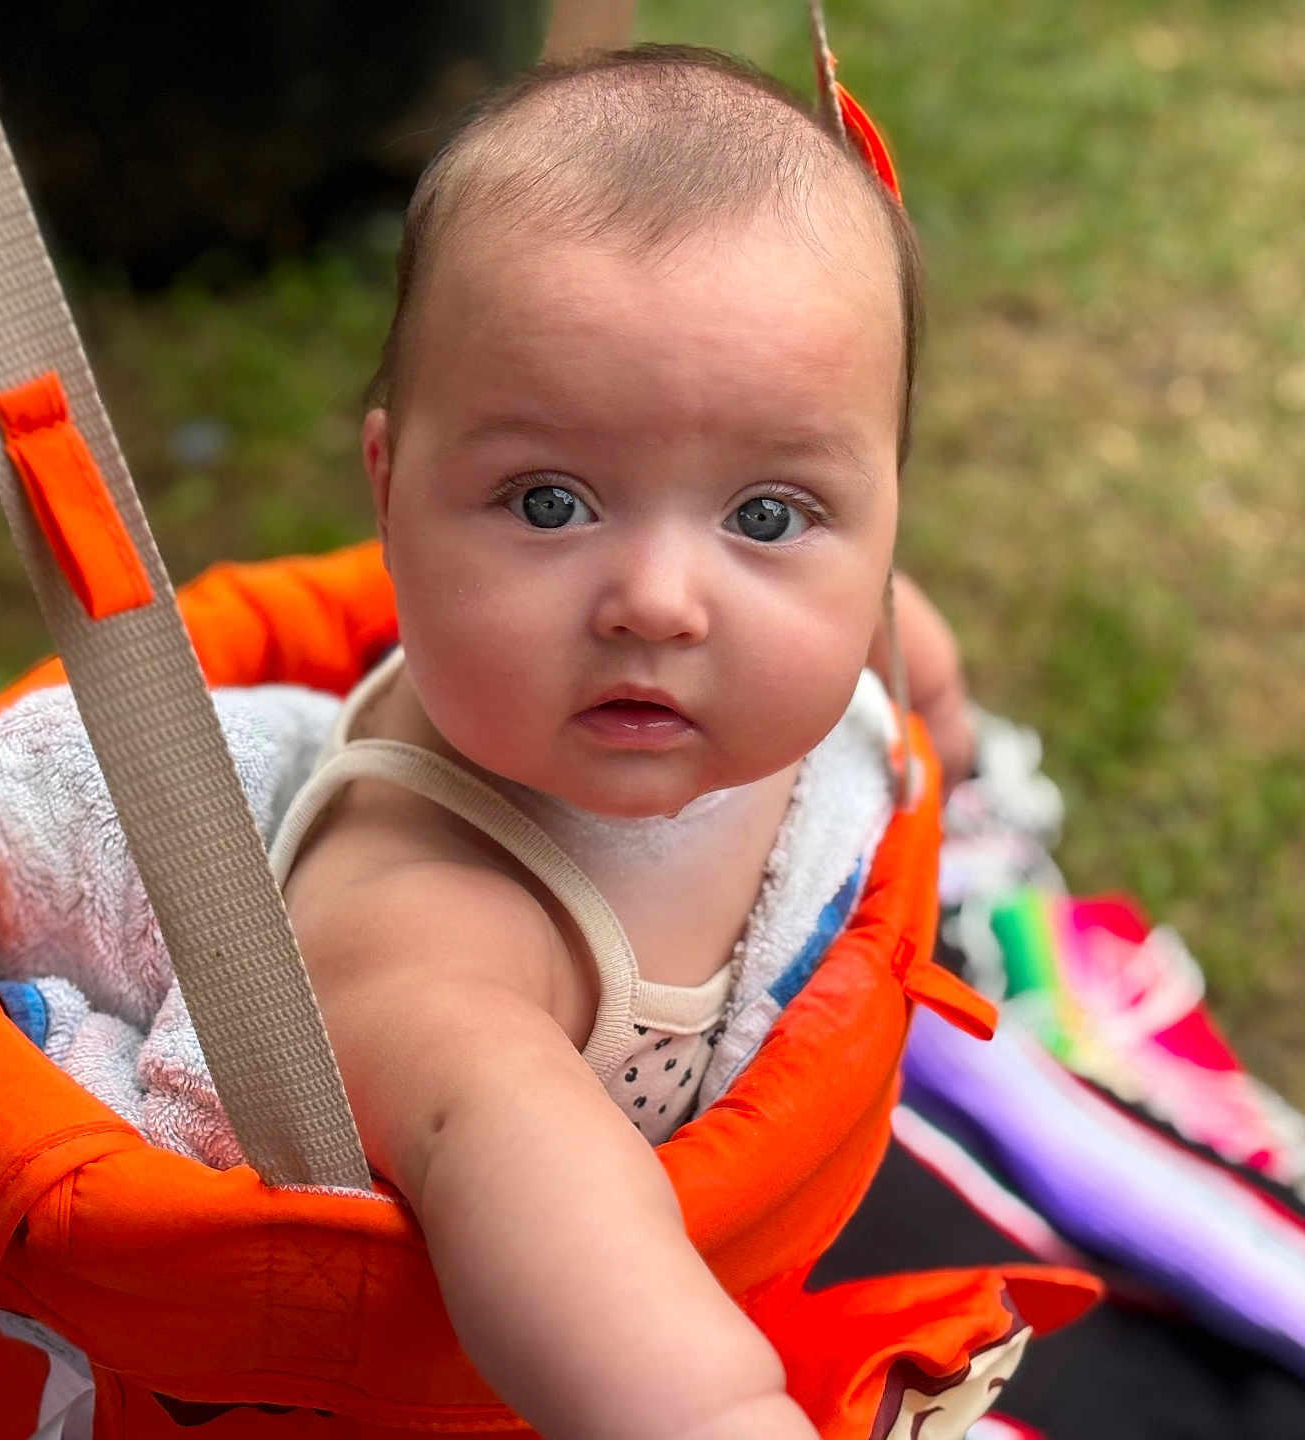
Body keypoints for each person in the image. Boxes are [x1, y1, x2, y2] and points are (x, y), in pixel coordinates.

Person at [271, 45, 970, 1440]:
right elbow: (514, 1157)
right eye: (547, 501)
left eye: (768, 515)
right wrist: (717, 1414)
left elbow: (917, 673)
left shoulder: (818, 658)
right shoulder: (422, 911)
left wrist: (943, 734)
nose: (658, 600)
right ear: (390, 487)